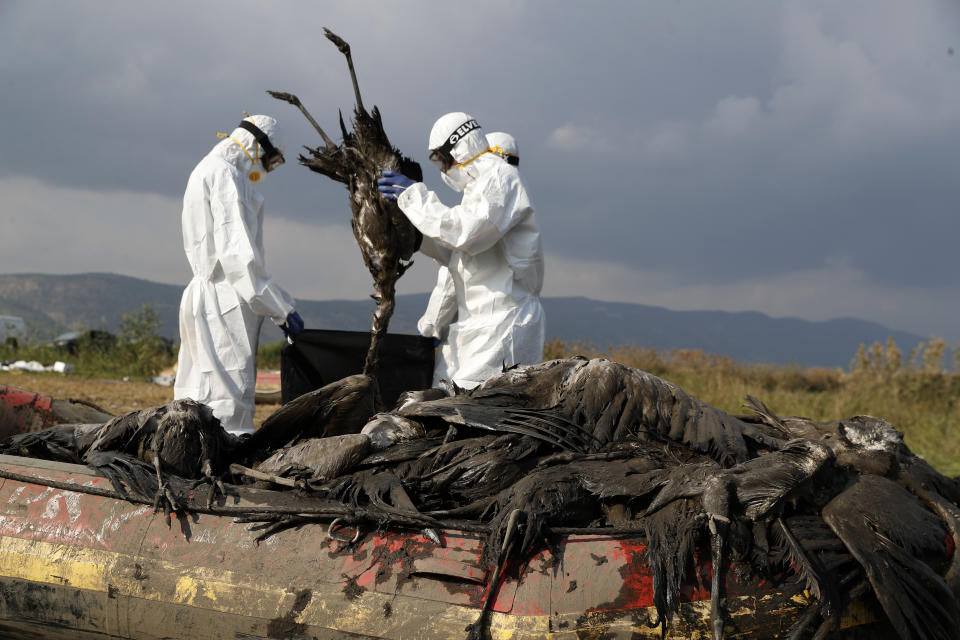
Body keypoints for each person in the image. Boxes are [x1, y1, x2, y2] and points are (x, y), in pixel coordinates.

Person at [377, 113, 544, 388]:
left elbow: (467, 234)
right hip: (475, 325)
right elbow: (458, 263)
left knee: (475, 411)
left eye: (442, 159)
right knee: (443, 396)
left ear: (458, 146)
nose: (443, 169)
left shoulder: (501, 178)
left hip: (504, 323)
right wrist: (431, 326)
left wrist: (413, 196)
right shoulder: (477, 188)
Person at [174, 114, 304, 435]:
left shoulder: (206, 167)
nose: (267, 170)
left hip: (202, 294)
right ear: (257, 147)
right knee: (227, 400)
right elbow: (239, 257)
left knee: (195, 393)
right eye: (271, 160)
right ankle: (225, 473)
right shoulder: (227, 175)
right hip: (225, 301)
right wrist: (282, 309)